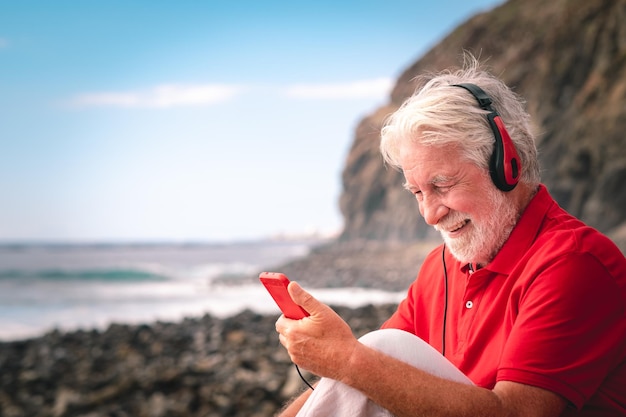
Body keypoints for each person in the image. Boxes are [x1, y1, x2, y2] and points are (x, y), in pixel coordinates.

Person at [274, 54, 626, 417]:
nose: (429, 214)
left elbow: (516, 413)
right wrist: (343, 361)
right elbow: (361, 377)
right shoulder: (439, 267)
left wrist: (346, 358)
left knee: (384, 348)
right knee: (380, 352)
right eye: (417, 192)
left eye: (442, 185)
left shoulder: (574, 262)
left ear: (507, 164)